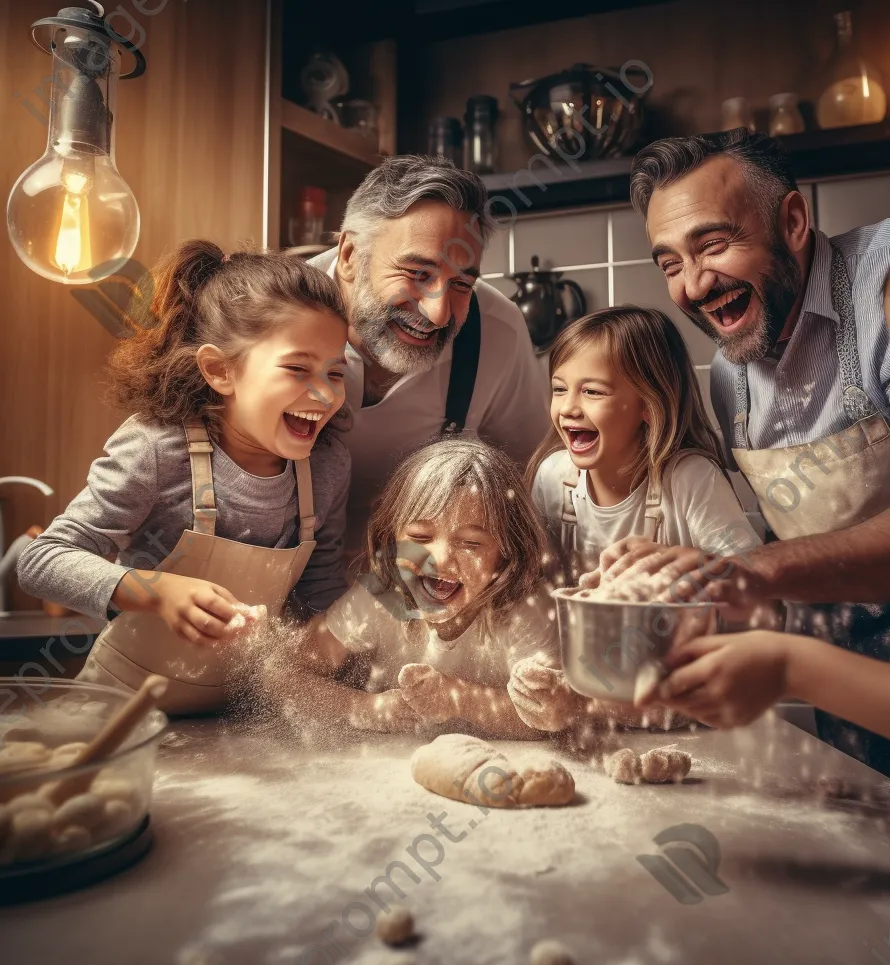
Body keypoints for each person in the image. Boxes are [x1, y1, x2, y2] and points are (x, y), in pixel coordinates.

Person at [603, 129, 890, 809]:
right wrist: (691, 578)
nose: (693, 286)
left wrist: (750, 577)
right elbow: (785, 548)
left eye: (712, 245)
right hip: (845, 688)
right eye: (669, 263)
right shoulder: (729, 374)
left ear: (791, 220)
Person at [17, 240, 352, 715]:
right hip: (122, 717)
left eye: (335, 373)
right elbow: (42, 561)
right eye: (298, 368)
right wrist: (157, 591)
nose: (322, 394)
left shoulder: (327, 465)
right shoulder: (158, 449)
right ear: (220, 370)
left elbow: (318, 589)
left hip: (236, 718)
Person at [307, 155, 549, 570]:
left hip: (409, 594)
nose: (439, 315)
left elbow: (530, 489)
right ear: (349, 256)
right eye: (418, 273)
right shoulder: (267, 314)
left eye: (460, 284)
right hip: (265, 595)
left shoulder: (496, 330)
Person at [266, 437, 575, 737]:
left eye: (470, 543)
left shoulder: (522, 607)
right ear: (391, 539)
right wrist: (365, 708)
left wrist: (460, 698)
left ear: (508, 552)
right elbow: (286, 674)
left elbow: (548, 719)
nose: (439, 560)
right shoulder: (386, 591)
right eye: (420, 538)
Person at [529, 306, 760, 585]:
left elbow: (752, 582)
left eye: (592, 391)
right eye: (559, 389)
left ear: (650, 405)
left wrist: (679, 569)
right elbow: (536, 584)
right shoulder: (552, 477)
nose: (568, 408)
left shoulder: (690, 479)